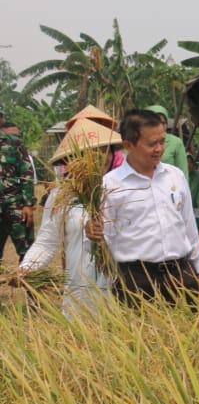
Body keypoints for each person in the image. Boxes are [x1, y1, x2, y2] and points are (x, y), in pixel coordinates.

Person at [16, 119, 122, 317]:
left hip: (122, 290)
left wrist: (104, 232)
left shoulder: (124, 189)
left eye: (105, 150)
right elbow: (47, 242)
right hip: (80, 292)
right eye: (91, 151)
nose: (100, 157)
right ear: (74, 158)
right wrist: (26, 268)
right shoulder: (61, 196)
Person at [98, 108, 199, 303]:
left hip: (180, 276)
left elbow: (189, 228)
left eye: (162, 142)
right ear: (128, 145)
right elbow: (105, 240)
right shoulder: (110, 185)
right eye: (151, 144)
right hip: (137, 282)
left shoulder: (175, 176)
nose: (159, 149)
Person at [0, 123, 36, 263]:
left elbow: (26, 173)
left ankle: (29, 280)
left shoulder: (14, 143)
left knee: (27, 252)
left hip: (15, 205)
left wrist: (28, 204)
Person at [143, 105, 189, 176]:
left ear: (167, 124)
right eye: (155, 122)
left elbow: (183, 172)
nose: (159, 125)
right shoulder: (140, 141)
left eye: (163, 122)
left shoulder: (176, 142)